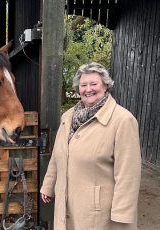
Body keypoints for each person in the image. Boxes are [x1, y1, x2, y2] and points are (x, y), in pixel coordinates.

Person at [40, 62, 141, 230]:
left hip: (99, 213)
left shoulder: (123, 120)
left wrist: (122, 213)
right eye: (83, 85)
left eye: (94, 84)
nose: (88, 89)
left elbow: (128, 174)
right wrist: (48, 186)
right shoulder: (67, 116)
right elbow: (58, 156)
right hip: (67, 205)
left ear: (106, 85)